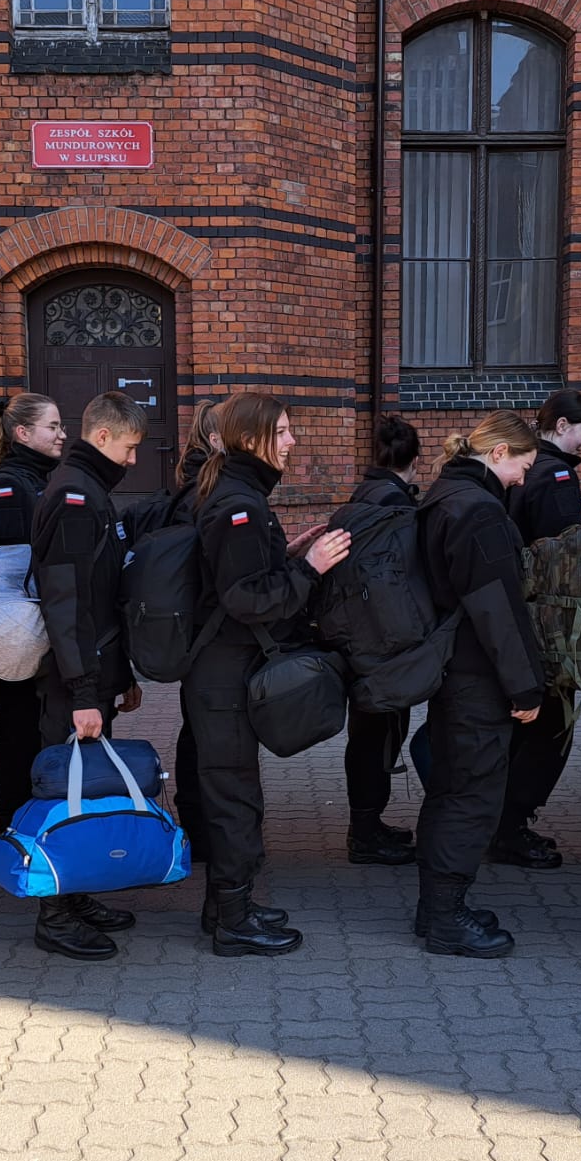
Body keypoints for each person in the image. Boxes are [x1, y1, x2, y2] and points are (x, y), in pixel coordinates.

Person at [185, 392, 351, 956]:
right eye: (281, 432)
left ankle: (224, 907)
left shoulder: (237, 493)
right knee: (234, 798)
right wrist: (310, 569)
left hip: (220, 670)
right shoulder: (240, 504)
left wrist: (289, 557)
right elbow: (245, 598)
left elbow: (239, 575)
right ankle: (234, 922)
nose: (291, 441)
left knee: (231, 791)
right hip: (224, 676)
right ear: (251, 439)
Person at [415, 412, 548, 957]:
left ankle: (435, 909)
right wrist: (526, 687)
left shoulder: (443, 495)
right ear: (498, 454)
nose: (523, 479)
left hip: (451, 669)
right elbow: (498, 610)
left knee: (450, 788)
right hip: (478, 676)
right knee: (472, 795)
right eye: (523, 466)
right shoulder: (480, 510)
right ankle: (447, 917)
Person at [27, 391, 150, 959]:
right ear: (102, 437)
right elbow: (67, 602)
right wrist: (82, 691)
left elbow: (102, 598)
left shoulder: (89, 489)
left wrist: (117, 676)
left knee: (86, 790)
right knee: (64, 792)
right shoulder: (75, 497)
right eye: (128, 448)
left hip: (92, 671)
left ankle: (76, 894)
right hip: (72, 679)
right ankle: (54, 914)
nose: (133, 460)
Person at [491, 389, 581, 870]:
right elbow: (565, 557)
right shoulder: (556, 476)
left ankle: (501, 822)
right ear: (561, 426)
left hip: (516, 616)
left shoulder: (524, 468)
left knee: (521, 730)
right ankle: (511, 828)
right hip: (548, 625)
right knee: (551, 730)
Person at [0, 392, 66, 830]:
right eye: (53, 426)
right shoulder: (10, 488)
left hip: (33, 630)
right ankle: (13, 824)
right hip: (16, 635)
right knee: (17, 732)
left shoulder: (36, 480)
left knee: (30, 729)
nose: (62, 434)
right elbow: (8, 574)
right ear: (23, 433)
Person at [342, 413, 423, 867]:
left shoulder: (361, 496)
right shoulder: (397, 506)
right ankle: (366, 832)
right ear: (415, 459)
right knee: (378, 737)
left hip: (358, 635)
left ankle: (368, 825)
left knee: (368, 735)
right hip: (386, 641)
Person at [167, 402, 222, 857]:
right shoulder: (208, 490)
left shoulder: (192, 482)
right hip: (207, 631)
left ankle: (197, 824)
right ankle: (202, 831)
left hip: (194, 629)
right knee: (205, 736)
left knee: (195, 730)